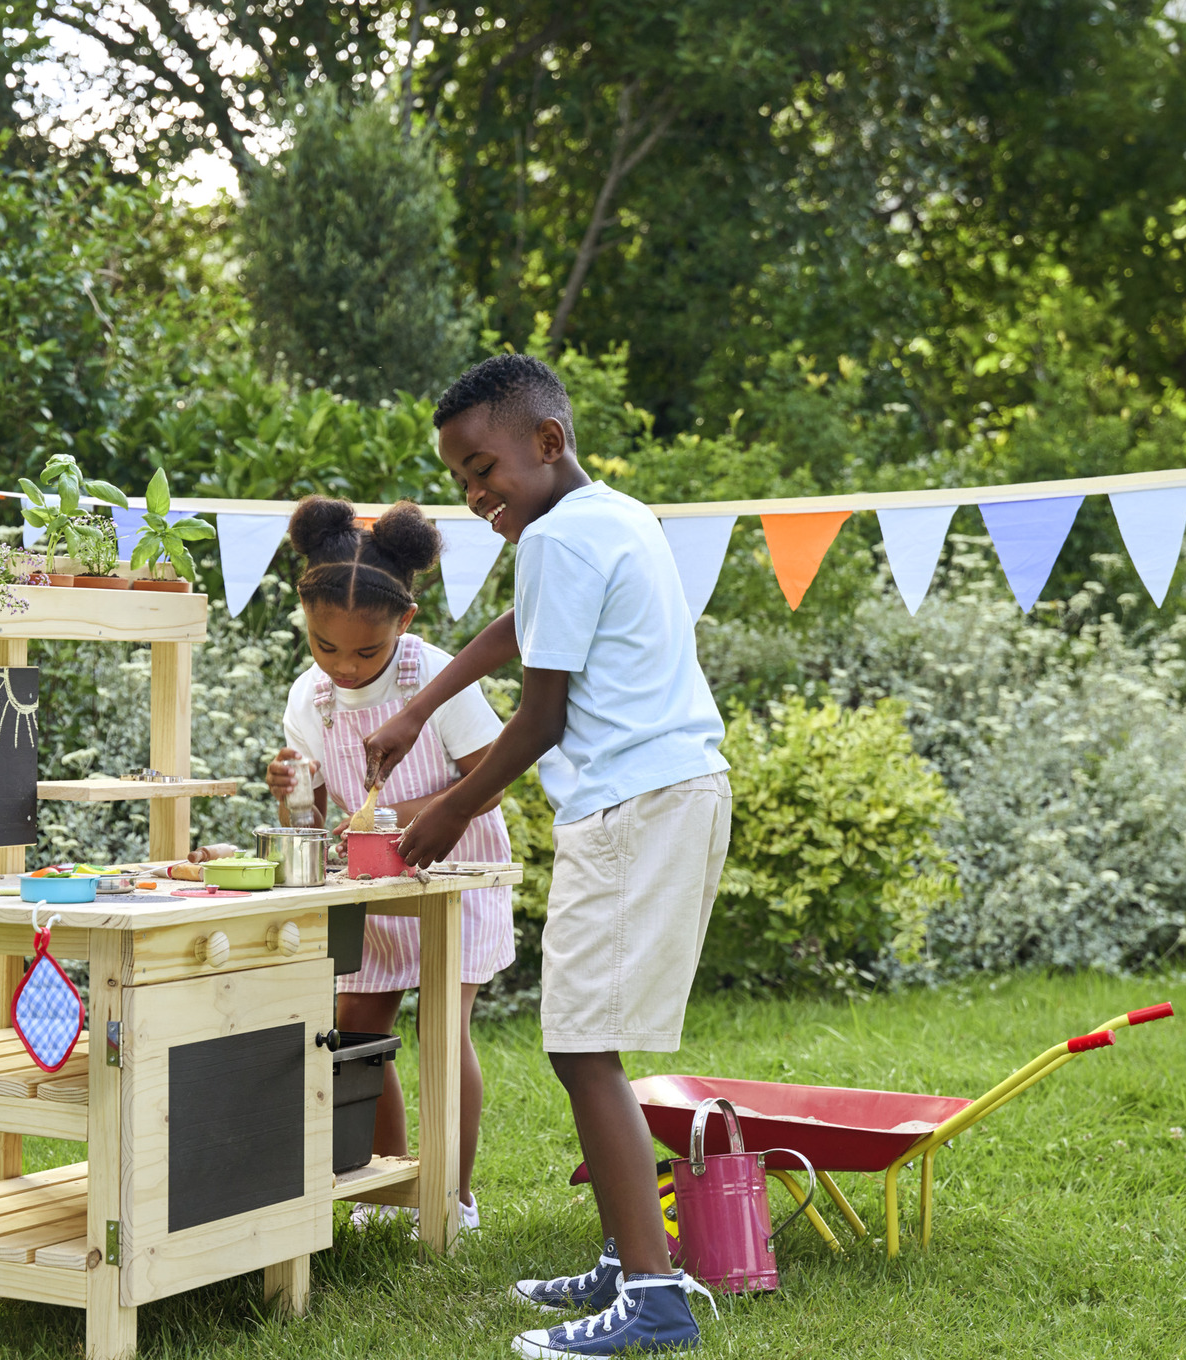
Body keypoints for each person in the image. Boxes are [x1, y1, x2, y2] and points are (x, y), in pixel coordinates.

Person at [362, 355, 730, 1357]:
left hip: (631, 805)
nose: (473, 494)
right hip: (670, 790)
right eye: (460, 480)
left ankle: (653, 1302)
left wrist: (448, 808)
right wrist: (420, 706)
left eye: (483, 469)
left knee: (580, 1047)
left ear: (547, 440)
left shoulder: (558, 538)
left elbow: (541, 717)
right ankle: (625, 1256)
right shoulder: (611, 516)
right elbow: (525, 627)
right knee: (589, 1041)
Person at [264, 495, 515, 1233]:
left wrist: (401, 813)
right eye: (325, 647)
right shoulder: (310, 696)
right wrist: (292, 792)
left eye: (365, 653)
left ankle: (450, 1195)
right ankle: (381, 1185)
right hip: (371, 886)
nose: (344, 667)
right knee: (358, 1028)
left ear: (404, 621)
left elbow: (491, 779)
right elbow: (311, 822)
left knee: (443, 1027)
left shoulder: (433, 677)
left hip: (455, 876)